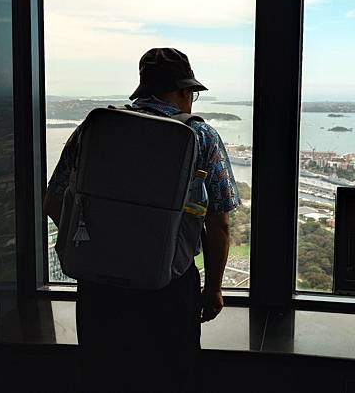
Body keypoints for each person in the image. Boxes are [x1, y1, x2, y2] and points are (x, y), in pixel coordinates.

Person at [43, 48, 241, 392]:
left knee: (103, 376)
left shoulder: (96, 128)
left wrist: (97, 243)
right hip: (169, 287)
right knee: (170, 377)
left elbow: (53, 200)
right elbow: (219, 224)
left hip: (100, 286)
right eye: (191, 93)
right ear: (183, 91)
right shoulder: (201, 136)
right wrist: (213, 290)